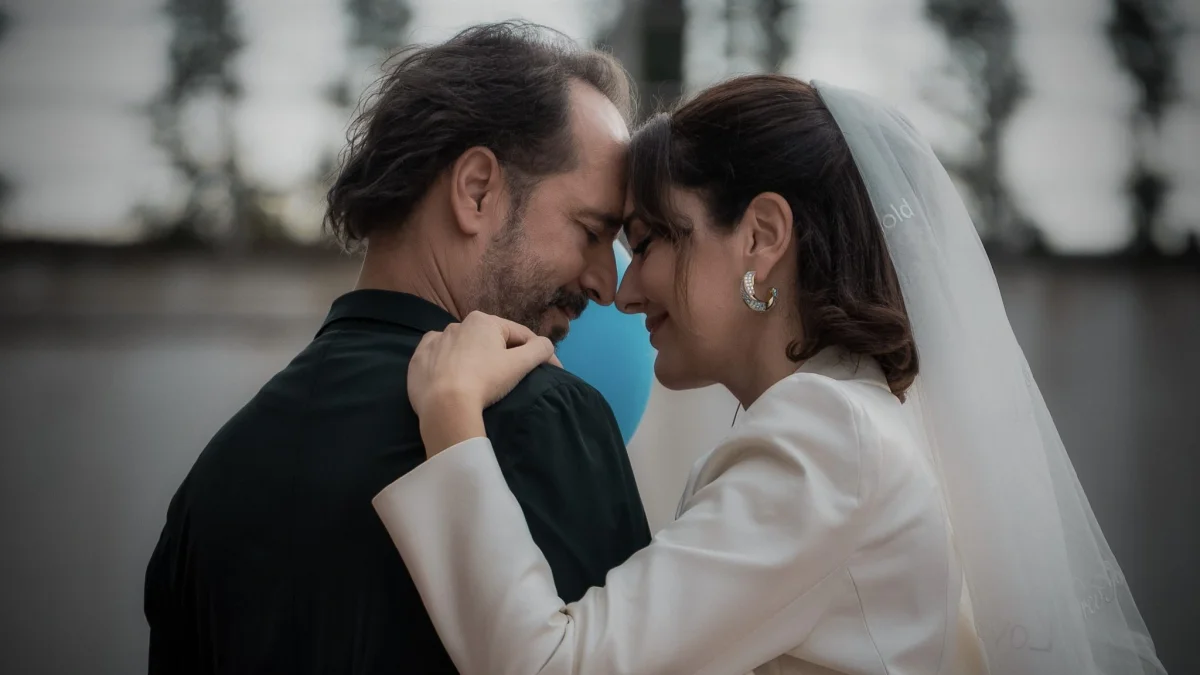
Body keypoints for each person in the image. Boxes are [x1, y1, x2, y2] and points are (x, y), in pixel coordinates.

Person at [372, 75, 1167, 674]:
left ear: (760, 235)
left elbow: (552, 665)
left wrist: (453, 421)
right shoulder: (844, 426)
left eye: (648, 242)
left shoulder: (828, 440)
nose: (625, 289)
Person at [144, 22, 651, 674]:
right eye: (591, 231)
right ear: (477, 190)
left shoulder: (212, 480)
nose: (608, 284)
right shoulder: (542, 417)